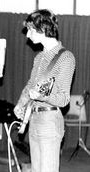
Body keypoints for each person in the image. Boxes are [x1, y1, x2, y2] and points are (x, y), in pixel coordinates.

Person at [14, 9, 75, 172]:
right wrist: (21, 103)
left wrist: (42, 95)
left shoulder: (66, 57)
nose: (27, 35)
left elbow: (63, 99)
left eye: (30, 30)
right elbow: (30, 85)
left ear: (42, 29)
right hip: (33, 119)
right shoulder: (39, 57)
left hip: (49, 121)